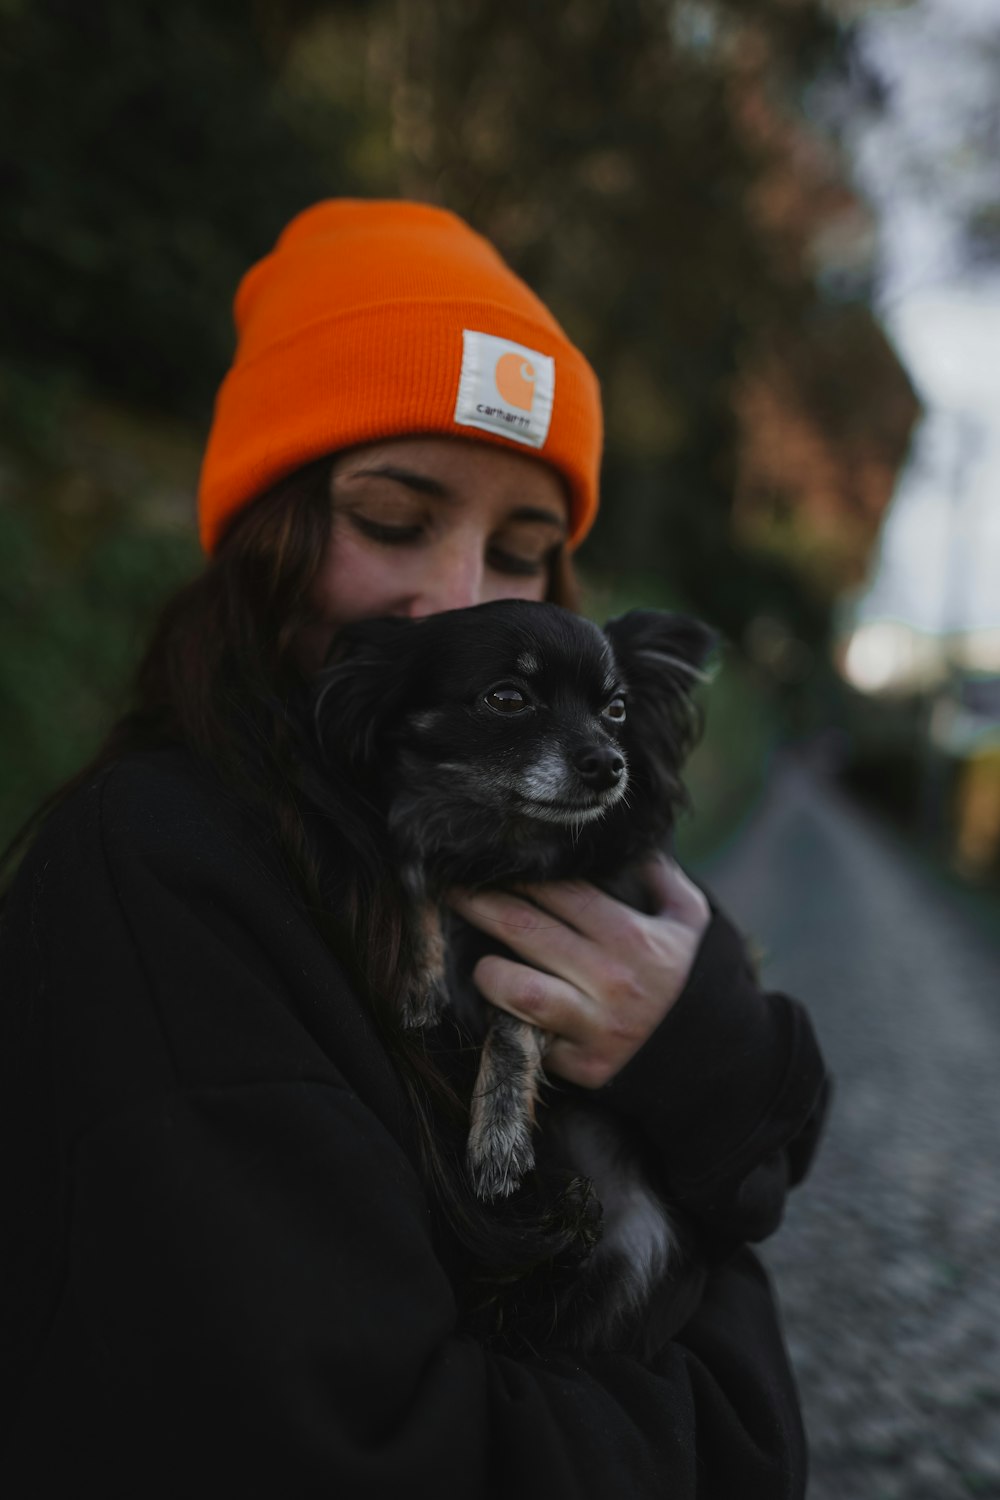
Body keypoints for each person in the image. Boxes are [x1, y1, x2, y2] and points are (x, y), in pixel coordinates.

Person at [0, 200, 830, 1497]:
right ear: (270, 532)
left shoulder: (544, 849)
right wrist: (735, 1390)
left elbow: (777, 1136)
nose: (459, 602)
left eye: (521, 552)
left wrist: (700, 1048)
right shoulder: (157, 881)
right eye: (393, 519)